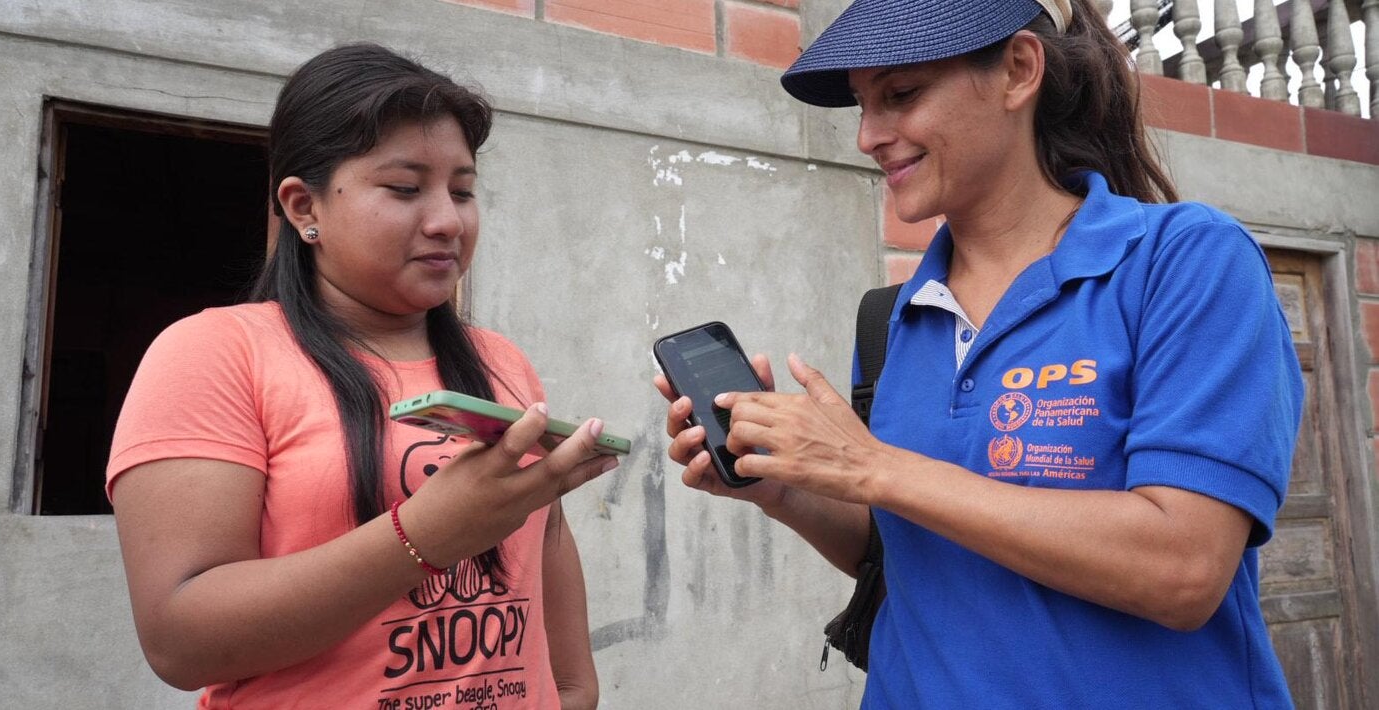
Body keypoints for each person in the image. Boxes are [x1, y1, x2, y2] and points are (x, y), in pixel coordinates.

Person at [655, 0, 1303, 707]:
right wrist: (789, 491)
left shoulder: (1184, 261)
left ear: (1019, 71)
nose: (870, 135)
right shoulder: (896, 317)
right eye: (862, 106)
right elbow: (903, 546)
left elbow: (1183, 570)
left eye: (901, 94)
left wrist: (873, 466)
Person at [107, 43, 617, 709]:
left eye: (462, 190)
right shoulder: (216, 353)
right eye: (405, 188)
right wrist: (425, 535)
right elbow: (181, 640)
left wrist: (575, 696)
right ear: (303, 207)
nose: (447, 220)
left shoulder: (501, 361)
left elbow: (547, 567)